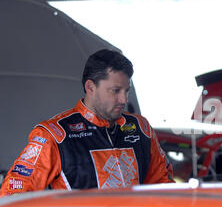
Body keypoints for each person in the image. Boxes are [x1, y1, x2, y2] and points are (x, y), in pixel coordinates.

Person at [1, 49, 174, 196]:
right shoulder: (54, 135)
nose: (123, 99)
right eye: (116, 91)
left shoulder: (141, 128)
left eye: (126, 91)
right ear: (90, 87)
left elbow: (163, 187)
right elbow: (13, 195)